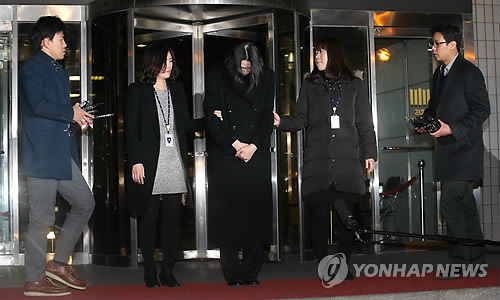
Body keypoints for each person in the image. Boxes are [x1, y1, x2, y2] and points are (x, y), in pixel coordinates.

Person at [273, 38, 377, 279]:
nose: (317, 57)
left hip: (347, 160)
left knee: (347, 218)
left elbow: (365, 124)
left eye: (321, 52)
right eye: (315, 53)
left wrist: (369, 153)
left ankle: (343, 263)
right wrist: (281, 122)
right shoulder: (310, 85)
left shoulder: (355, 85)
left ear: (335, 54)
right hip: (318, 161)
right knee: (318, 216)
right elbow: (300, 119)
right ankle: (325, 264)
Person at [19, 16, 95, 297]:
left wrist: (75, 113)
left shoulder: (57, 70)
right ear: (46, 41)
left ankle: (59, 264)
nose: (66, 44)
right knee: (40, 220)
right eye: (61, 39)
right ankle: (33, 280)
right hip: (41, 155)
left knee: (85, 203)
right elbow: (38, 104)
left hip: (62, 155)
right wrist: (69, 112)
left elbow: (55, 108)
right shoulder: (32, 67)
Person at [125, 43, 203, 288]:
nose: (169, 65)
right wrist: (136, 160)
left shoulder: (177, 90)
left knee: (172, 221)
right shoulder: (137, 91)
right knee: (150, 220)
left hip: (174, 162)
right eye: (164, 60)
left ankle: (168, 271)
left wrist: (210, 120)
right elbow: (131, 130)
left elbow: (186, 126)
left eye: (171, 61)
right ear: (152, 61)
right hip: (150, 164)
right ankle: (149, 270)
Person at [416, 24, 490, 279]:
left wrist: (452, 129)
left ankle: (461, 263)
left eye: (437, 43)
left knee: (449, 202)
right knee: (465, 205)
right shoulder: (439, 74)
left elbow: (482, 110)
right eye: (432, 43)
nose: (433, 48)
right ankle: (477, 260)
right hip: (447, 151)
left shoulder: (470, 72)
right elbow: (434, 106)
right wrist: (426, 121)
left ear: (453, 44)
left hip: (465, 149)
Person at [204, 41, 275, 287]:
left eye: (249, 67)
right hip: (228, 155)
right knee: (229, 218)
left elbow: (266, 115)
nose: (245, 70)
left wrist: (253, 146)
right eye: (242, 67)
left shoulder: (268, 77)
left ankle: (251, 272)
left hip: (256, 154)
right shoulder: (217, 77)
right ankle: (233, 274)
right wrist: (235, 145)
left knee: (257, 216)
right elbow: (211, 116)